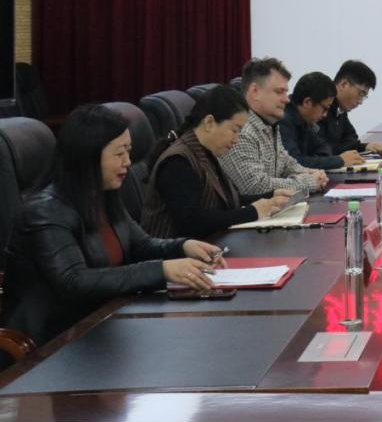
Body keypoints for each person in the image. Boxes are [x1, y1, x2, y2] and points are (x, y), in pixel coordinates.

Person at [1, 105, 224, 347]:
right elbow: (74, 281)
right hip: (54, 340)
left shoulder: (101, 195)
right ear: (88, 156)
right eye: (119, 154)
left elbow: (140, 245)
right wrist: (162, 270)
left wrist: (183, 246)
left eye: (129, 152)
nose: (128, 162)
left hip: (104, 320)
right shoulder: (44, 211)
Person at [142, 85, 294, 238]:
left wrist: (270, 197)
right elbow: (191, 222)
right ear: (209, 122)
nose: (236, 140)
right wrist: (253, 212)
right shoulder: (178, 162)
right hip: (177, 251)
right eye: (235, 130)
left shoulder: (205, 151)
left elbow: (226, 201)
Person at [219, 57, 328, 196]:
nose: (286, 99)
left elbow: (287, 164)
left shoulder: (270, 125)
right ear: (255, 91)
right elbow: (255, 187)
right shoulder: (241, 131)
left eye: (286, 92)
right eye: (279, 92)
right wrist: (309, 182)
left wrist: (312, 173)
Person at [279, 71, 357, 169]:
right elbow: (294, 163)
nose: (325, 115)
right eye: (325, 108)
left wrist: (315, 161)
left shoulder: (304, 120)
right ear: (307, 102)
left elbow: (323, 147)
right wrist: (339, 161)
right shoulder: (283, 121)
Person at [319, 60, 382, 161]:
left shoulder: (340, 108)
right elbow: (324, 149)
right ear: (344, 84)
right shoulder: (321, 107)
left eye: (364, 96)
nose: (361, 101)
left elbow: (351, 138)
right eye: (361, 94)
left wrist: (365, 147)